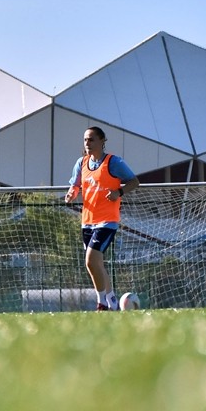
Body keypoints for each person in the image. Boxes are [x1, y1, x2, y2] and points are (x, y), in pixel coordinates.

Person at [64, 126, 140, 310]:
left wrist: (119, 192)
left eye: (91, 139)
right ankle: (112, 301)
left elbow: (134, 181)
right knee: (96, 264)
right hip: (87, 221)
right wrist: (71, 194)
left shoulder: (113, 162)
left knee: (90, 260)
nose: (87, 143)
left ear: (101, 141)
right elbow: (75, 185)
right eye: (85, 140)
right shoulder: (81, 163)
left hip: (107, 221)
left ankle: (101, 303)